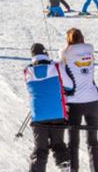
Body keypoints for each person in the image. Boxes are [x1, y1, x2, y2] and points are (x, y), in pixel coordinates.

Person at [59, 28, 98, 172]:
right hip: (93, 101)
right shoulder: (90, 53)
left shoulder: (66, 54)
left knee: (73, 143)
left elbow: (60, 66)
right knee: (93, 141)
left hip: (75, 103)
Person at [26, 43, 72, 172]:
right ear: (46, 54)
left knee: (40, 149)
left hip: (38, 115)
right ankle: (64, 167)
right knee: (58, 144)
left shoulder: (28, 71)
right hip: (57, 113)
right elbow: (69, 86)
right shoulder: (56, 67)